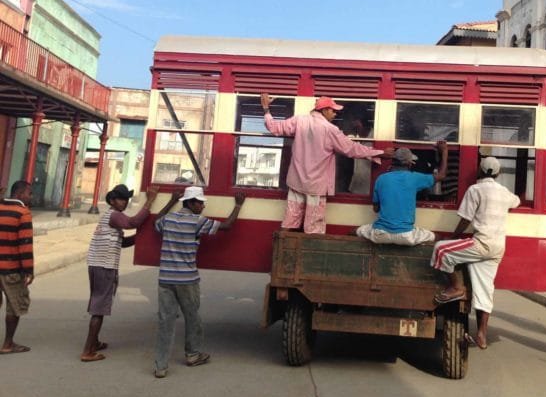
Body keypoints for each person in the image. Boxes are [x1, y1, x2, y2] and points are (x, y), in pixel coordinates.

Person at [260, 92, 393, 234]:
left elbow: (274, 127)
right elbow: (352, 149)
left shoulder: (299, 121)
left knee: (289, 221)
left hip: (296, 182)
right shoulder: (330, 130)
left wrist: (266, 109)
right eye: (333, 110)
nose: (335, 114)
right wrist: (379, 153)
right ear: (324, 110)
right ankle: (309, 255)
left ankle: (281, 250)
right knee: (313, 228)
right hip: (316, 186)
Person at [153, 186, 245, 378]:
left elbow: (156, 221)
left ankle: (161, 366)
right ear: (191, 203)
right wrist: (238, 205)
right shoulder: (197, 221)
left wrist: (171, 201)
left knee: (165, 321)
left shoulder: (168, 219)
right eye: (201, 203)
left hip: (165, 279)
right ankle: (193, 355)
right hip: (187, 279)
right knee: (192, 317)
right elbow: (226, 226)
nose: (203, 206)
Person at [80, 185, 180, 362]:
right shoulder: (115, 215)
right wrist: (150, 200)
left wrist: (140, 238)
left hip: (98, 264)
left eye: (126, 199)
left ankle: (94, 342)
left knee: (97, 304)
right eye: (121, 199)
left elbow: (122, 242)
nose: (124, 202)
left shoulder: (110, 216)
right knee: (99, 309)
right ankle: (88, 351)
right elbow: (133, 223)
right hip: (104, 266)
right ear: (112, 201)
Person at [430, 157, 520, 350]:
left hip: (481, 243)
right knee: (484, 290)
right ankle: (481, 334)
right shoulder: (504, 192)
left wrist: (454, 237)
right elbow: (517, 201)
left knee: (440, 249)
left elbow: (465, 219)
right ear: (498, 173)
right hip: (497, 248)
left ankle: (456, 287)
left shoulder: (475, 190)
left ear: (480, 171)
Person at [356, 141, 448, 245]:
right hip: (406, 235)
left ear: (393, 162)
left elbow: (376, 209)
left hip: (380, 234)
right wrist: (444, 150)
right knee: (438, 237)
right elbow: (441, 175)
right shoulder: (414, 178)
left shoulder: (381, 179)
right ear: (409, 164)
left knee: (355, 231)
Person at [0, 180, 34, 354]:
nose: (31, 197)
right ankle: (8, 344)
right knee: (14, 305)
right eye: (29, 193)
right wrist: (29, 270)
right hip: (11, 268)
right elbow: (25, 244)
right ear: (20, 194)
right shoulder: (23, 213)